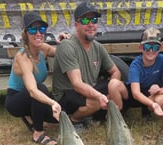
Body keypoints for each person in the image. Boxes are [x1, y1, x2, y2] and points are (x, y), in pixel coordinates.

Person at [52, 1, 122, 130]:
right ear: (76, 25)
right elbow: (77, 84)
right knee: (97, 101)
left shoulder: (98, 47)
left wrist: (112, 87)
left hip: (87, 89)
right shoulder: (67, 46)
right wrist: (100, 96)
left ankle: (103, 117)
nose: (90, 24)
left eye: (94, 20)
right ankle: (75, 120)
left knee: (118, 87)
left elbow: (115, 72)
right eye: (85, 20)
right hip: (67, 93)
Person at [5, 12, 62, 145]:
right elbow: (32, 91)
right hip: (15, 100)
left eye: (41, 29)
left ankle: (30, 116)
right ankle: (38, 134)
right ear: (26, 34)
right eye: (32, 29)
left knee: (57, 118)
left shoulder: (44, 49)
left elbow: (64, 53)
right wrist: (52, 102)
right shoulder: (23, 57)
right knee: (40, 89)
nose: (38, 33)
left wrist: (63, 42)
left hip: (32, 96)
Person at [108, 26, 163, 118]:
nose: (151, 51)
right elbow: (135, 93)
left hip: (151, 94)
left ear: (160, 48)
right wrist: (153, 104)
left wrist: (160, 90)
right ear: (141, 48)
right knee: (113, 84)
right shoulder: (135, 65)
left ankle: (147, 111)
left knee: (161, 100)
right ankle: (118, 114)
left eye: (155, 47)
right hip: (134, 95)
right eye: (147, 46)